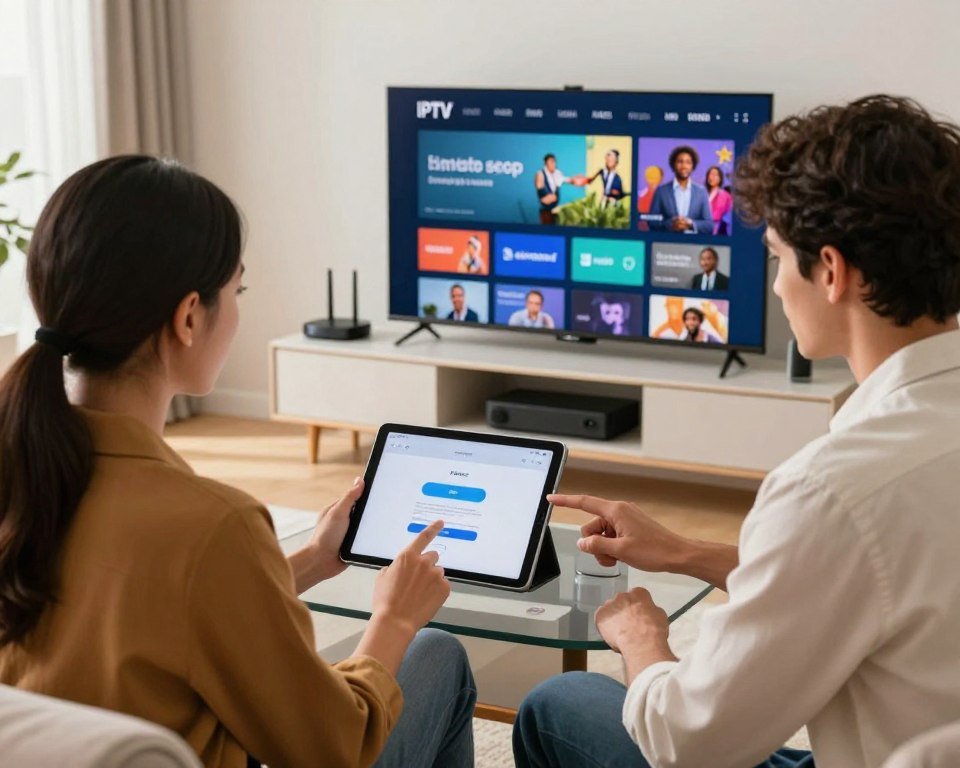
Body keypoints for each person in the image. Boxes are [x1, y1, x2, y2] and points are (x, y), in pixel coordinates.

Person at [514, 95, 960, 768]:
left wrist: (641, 638)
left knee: (558, 704)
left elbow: (689, 742)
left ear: (832, 271)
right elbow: (879, 583)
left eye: (778, 257)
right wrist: (689, 552)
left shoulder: (833, 488)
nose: (778, 286)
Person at [0, 156, 476, 768]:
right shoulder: (212, 524)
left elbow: (156, 608)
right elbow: (333, 747)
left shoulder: (25, 466)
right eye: (238, 290)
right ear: (190, 317)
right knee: (435, 653)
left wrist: (309, 561)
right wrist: (394, 617)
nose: (240, 309)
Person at [648, 145, 713, 233]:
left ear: (692, 166)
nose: (684, 166)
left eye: (688, 162)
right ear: (673, 164)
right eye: (680, 161)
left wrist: (691, 224)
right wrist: (671, 224)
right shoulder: (661, 191)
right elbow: (652, 221)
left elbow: (709, 225)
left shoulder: (701, 192)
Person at [534, 153, 568, 224]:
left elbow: (568, 180)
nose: (553, 164)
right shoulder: (540, 174)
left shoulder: (557, 174)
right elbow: (542, 193)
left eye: (554, 162)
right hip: (546, 211)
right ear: (546, 163)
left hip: (555, 210)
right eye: (551, 162)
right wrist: (548, 197)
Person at [706, 165, 734, 235]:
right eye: (711, 174)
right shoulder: (703, 193)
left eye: (715, 175)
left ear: (720, 178)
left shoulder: (724, 195)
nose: (712, 177)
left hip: (717, 230)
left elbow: (717, 214)